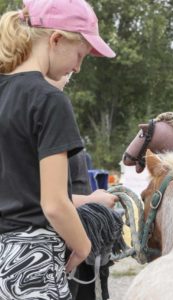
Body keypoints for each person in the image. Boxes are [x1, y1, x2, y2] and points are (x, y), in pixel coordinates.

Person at [0, 0, 115, 299]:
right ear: (56, 39)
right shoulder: (49, 100)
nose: (77, 67)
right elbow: (52, 204)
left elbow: (19, 191)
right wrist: (83, 246)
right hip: (31, 264)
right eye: (80, 55)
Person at [47, 75, 118, 300]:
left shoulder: (52, 113)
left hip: (75, 243)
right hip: (58, 249)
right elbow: (41, 198)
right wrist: (92, 202)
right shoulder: (40, 112)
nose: (73, 72)